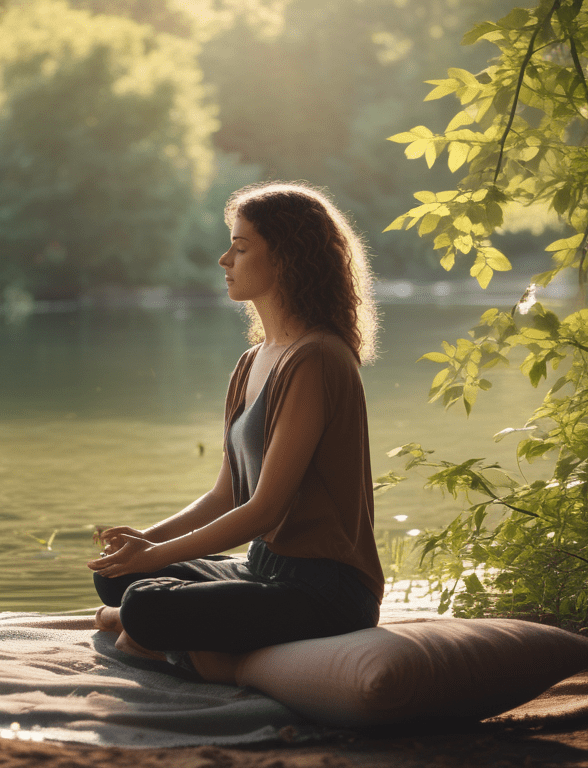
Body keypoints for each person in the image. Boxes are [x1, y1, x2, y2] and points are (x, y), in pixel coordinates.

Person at [87, 181, 384, 683]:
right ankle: (157, 637)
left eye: (241, 248)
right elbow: (225, 495)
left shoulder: (317, 358)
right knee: (121, 581)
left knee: (142, 604)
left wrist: (153, 556)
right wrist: (143, 543)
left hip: (326, 589)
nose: (224, 259)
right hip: (262, 568)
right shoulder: (251, 362)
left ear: (287, 258)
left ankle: (191, 652)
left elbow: (262, 511)